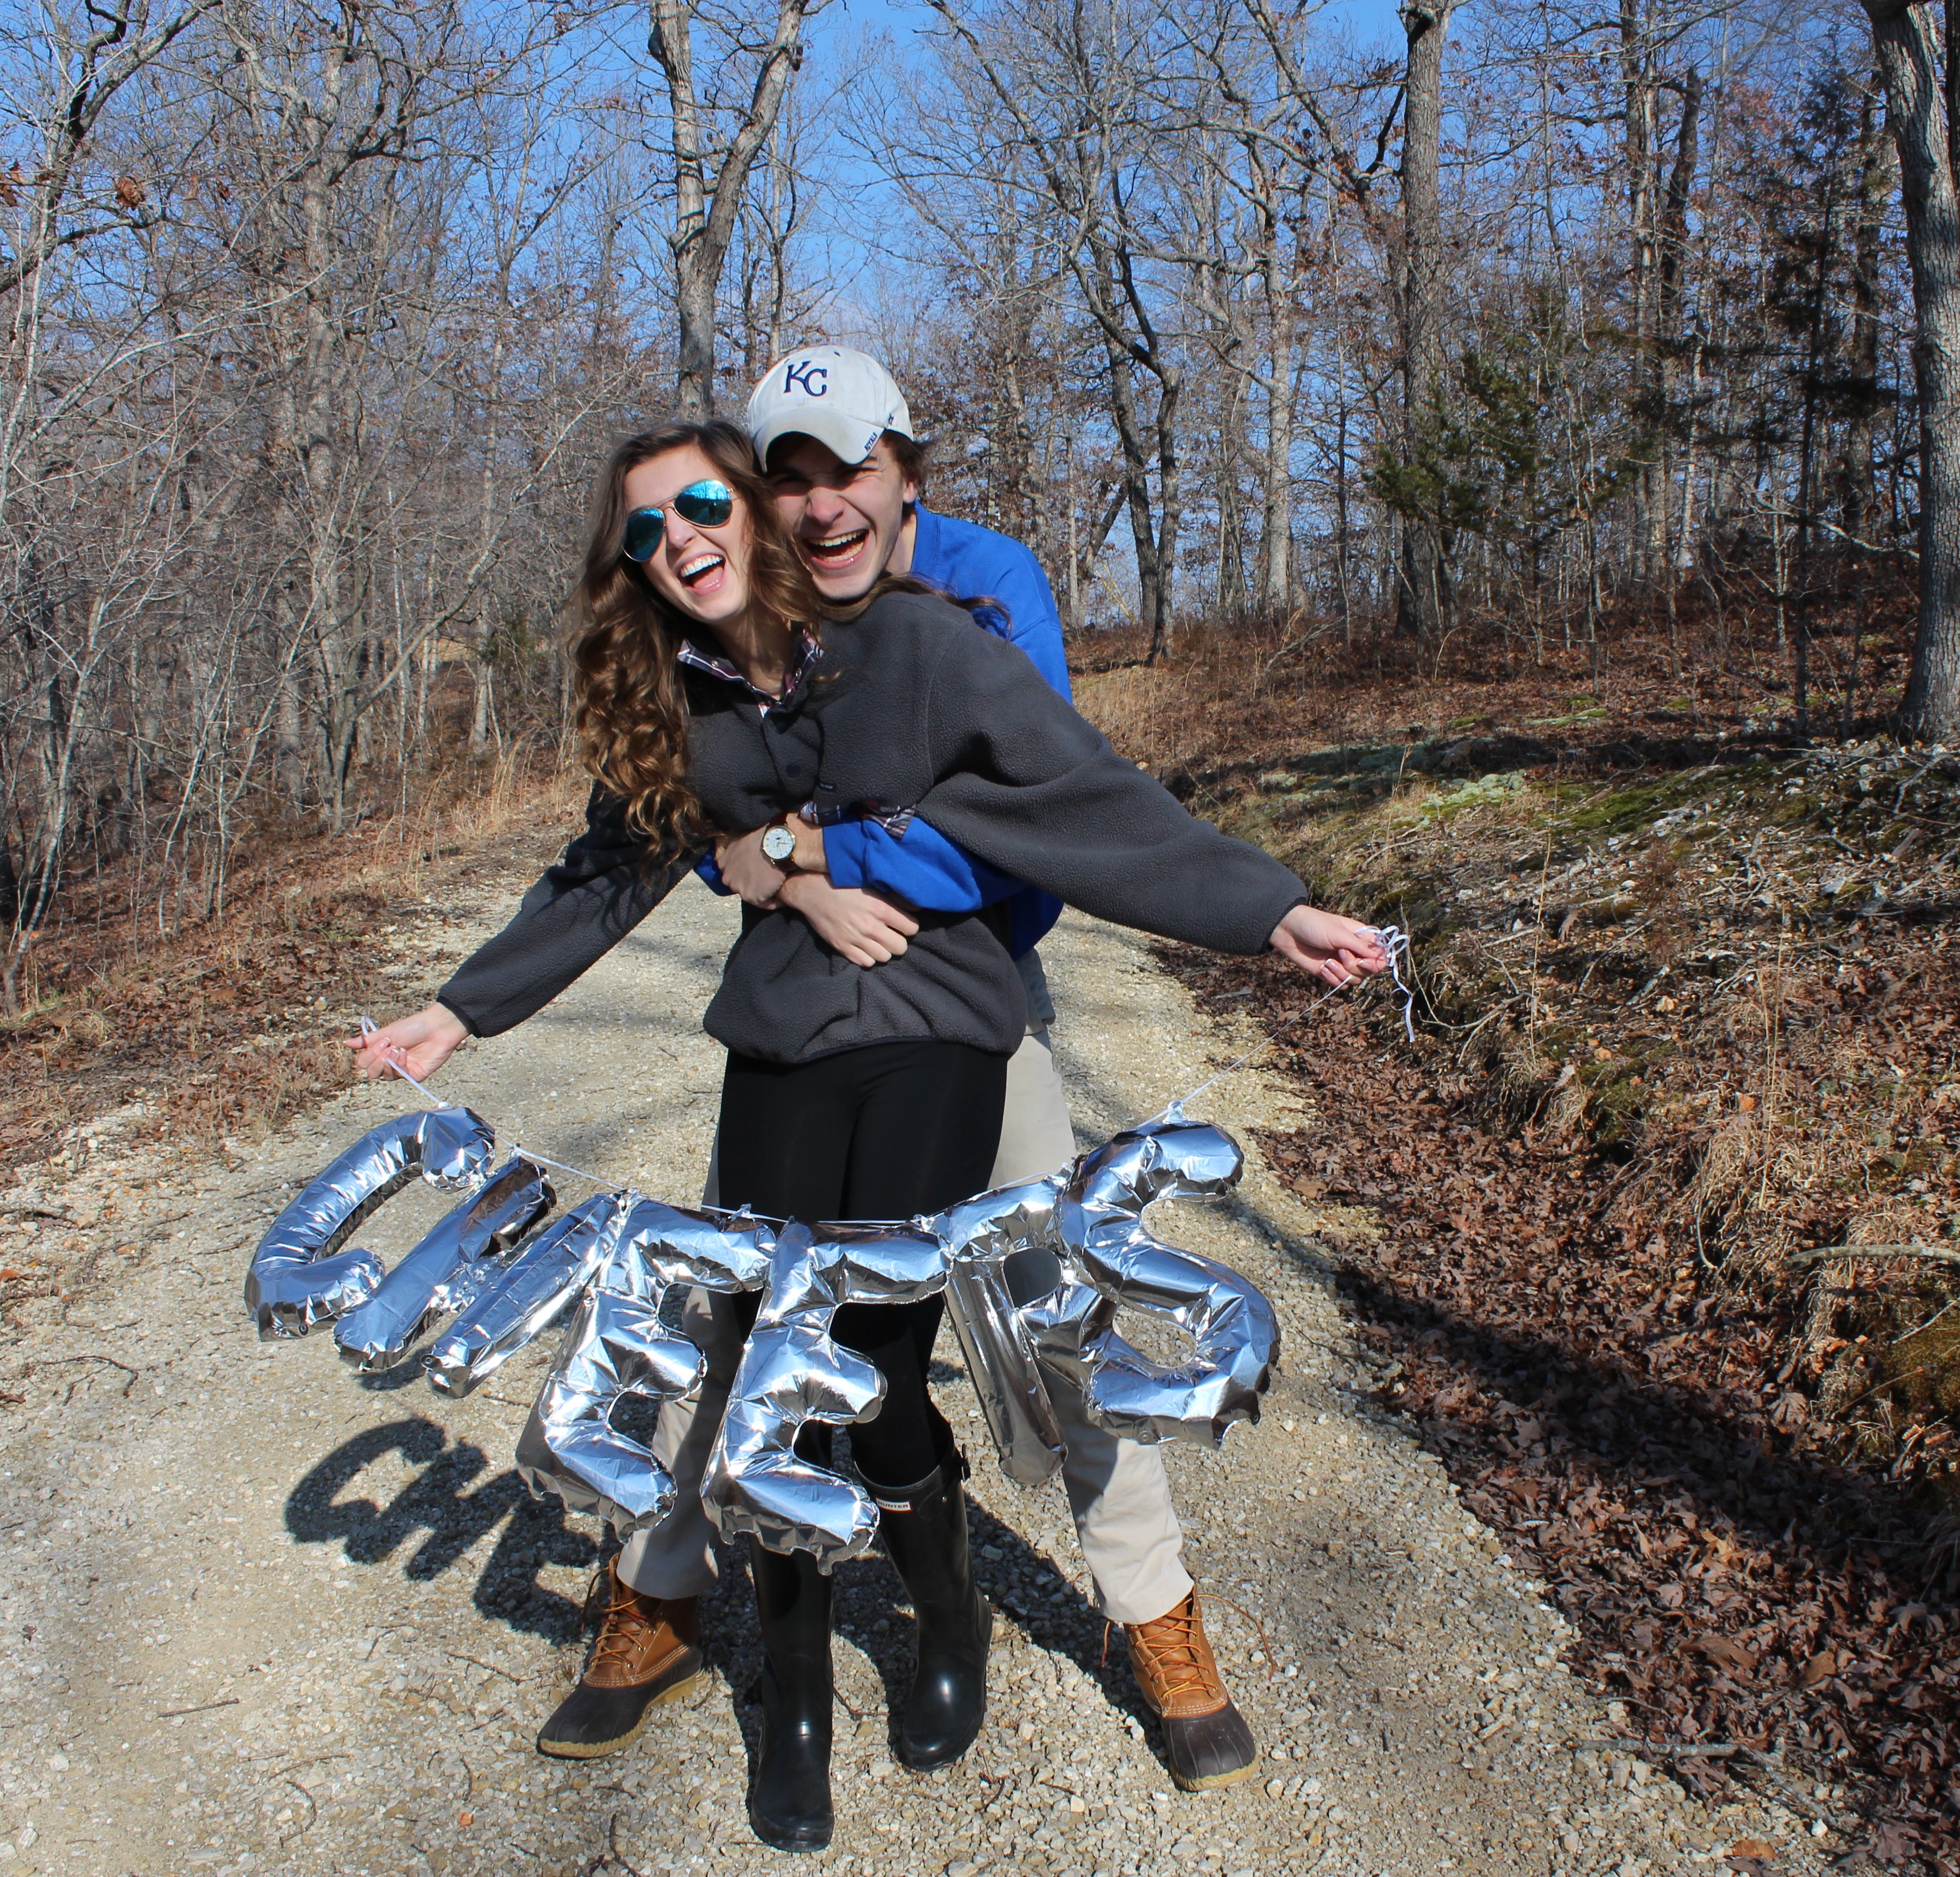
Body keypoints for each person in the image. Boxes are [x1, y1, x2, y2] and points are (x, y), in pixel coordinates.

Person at [351, 416, 1384, 1854]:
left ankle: (967, 1610)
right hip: (782, 1038)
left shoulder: (932, 636)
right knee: (759, 1352)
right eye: (644, 533)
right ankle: (791, 1699)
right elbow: (605, 872)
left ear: (775, 513)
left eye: (699, 506)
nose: (680, 543)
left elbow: (1077, 799)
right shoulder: (685, 697)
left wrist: (1267, 908)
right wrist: (458, 1014)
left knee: (912, 1357)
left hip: (947, 1027)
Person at [522, 347, 1277, 1802]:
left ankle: (1155, 1614)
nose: (818, 503)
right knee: (730, 1317)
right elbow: (703, 793)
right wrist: (751, 857)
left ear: (905, 467)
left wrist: (804, 853)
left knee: (1046, 1311)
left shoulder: (986, 592)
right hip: (809, 1023)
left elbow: (1029, 823)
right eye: (787, 477)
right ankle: (661, 1588)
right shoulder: (754, 599)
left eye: (847, 468)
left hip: (971, 1001)